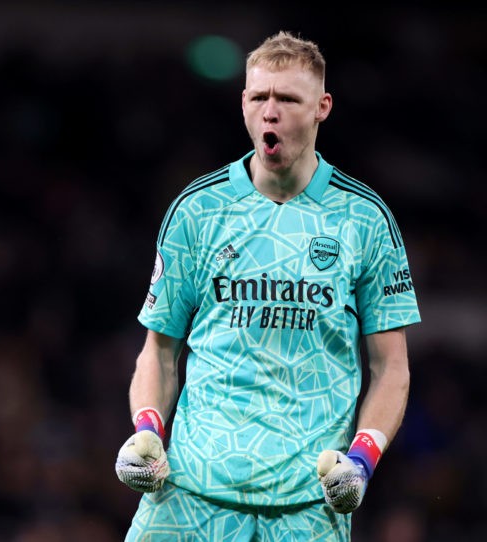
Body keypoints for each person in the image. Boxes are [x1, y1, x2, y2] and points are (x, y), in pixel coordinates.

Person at [114, 30, 421, 541]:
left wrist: (362, 460)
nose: (270, 112)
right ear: (244, 103)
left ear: (322, 106)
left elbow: (391, 367)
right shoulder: (198, 210)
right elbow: (159, 352)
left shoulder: (364, 220)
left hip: (305, 505)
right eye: (259, 97)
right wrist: (147, 430)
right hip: (190, 493)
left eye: (287, 99)